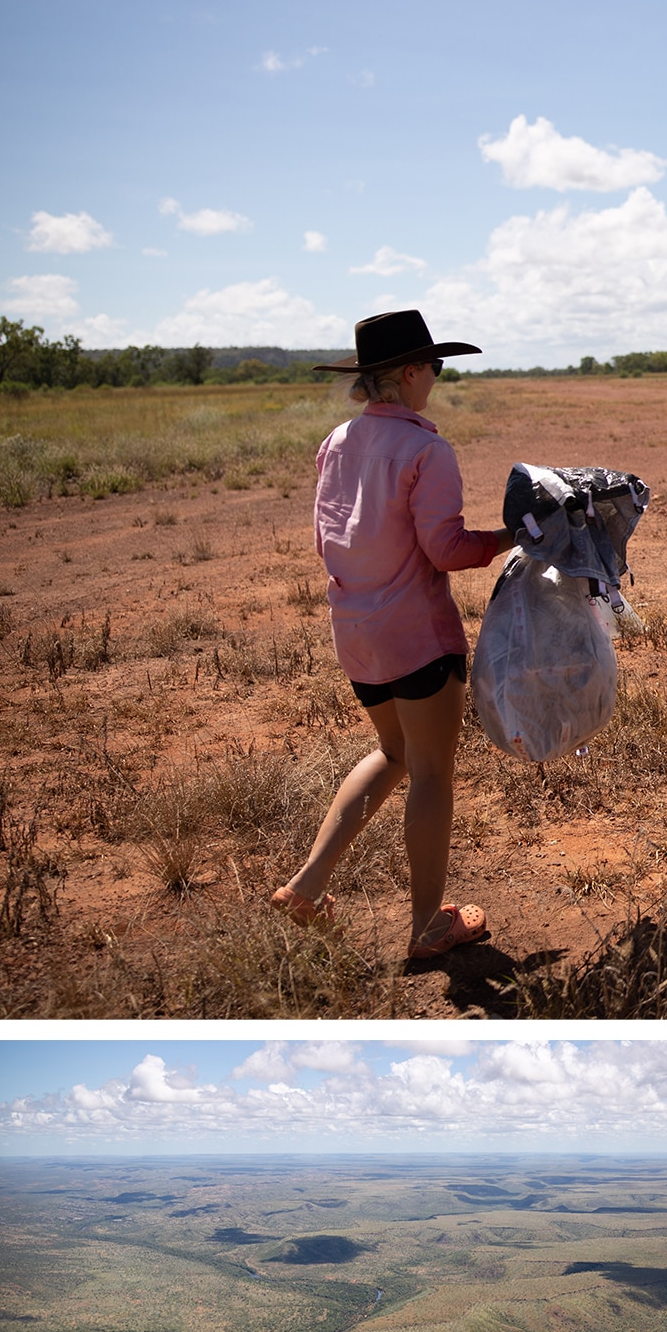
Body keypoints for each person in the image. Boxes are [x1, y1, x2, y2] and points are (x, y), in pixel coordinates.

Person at [271, 309, 508, 960]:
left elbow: (328, 539)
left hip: (356, 632)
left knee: (393, 752)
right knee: (431, 772)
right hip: (417, 637)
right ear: (408, 373)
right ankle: (430, 925)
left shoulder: (337, 442)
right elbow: (447, 549)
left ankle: (306, 884)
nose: (436, 376)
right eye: (433, 365)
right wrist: (515, 536)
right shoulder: (428, 450)